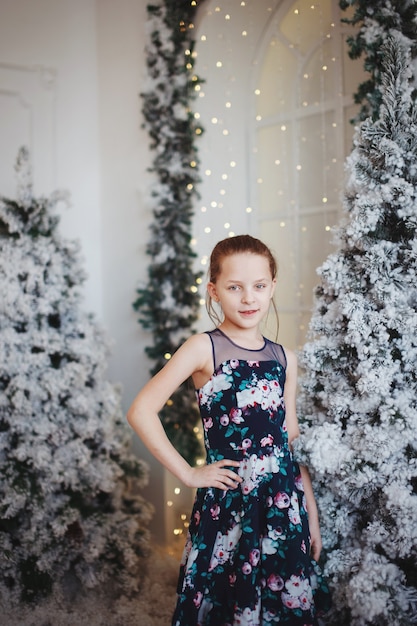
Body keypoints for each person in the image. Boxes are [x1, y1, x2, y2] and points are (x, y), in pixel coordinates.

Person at [127, 234, 331, 625]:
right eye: (235, 287)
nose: (248, 298)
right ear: (214, 291)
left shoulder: (283, 358)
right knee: (228, 604)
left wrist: (311, 516)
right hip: (231, 504)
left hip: (283, 505)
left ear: (273, 286)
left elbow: (290, 441)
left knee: (280, 603)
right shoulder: (204, 348)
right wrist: (188, 473)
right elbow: (141, 410)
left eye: (258, 286)